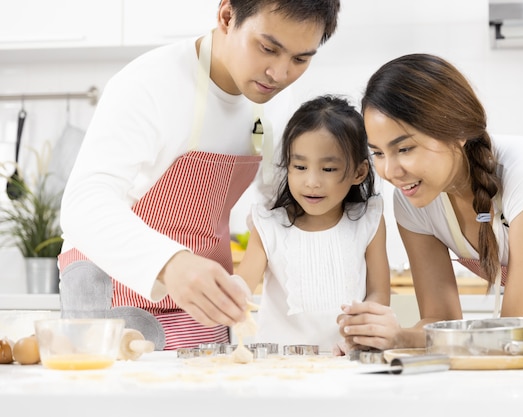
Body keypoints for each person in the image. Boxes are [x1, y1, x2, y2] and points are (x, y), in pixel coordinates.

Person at [57, 0, 341, 350]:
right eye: (268, 48)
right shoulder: (149, 82)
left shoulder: (278, 103)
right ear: (226, 17)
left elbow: (277, 210)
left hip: (203, 304)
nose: (280, 74)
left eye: (301, 59)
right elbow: (83, 204)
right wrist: (171, 264)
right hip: (111, 292)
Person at [338, 53, 523, 350]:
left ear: (456, 132)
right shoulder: (412, 201)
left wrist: (406, 337)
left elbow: (518, 330)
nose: (390, 172)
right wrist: (390, 337)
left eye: (406, 148)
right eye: (378, 153)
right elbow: (438, 320)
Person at [235, 95, 390, 355]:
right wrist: (226, 294)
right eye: (300, 166)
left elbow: (378, 295)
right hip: (278, 366)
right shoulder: (269, 225)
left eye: (328, 169)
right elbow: (242, 287)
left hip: (345, 360)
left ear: (359, 173)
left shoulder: (368, 220)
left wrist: (359, 335)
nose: (312, 181)